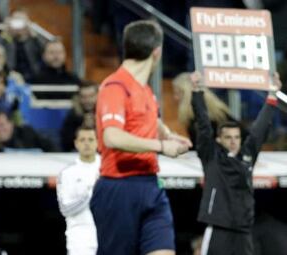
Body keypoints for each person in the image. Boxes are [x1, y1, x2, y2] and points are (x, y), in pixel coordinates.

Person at [91, 20, 191, 255]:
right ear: (157, 52)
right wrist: (161, 146)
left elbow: (146, 119)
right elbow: (112, 137)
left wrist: (168, 134)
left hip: (150, 184)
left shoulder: (144, 89)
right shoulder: (115, 86)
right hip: (119, 187)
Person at [189, 72, 281, 255]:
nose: (233, 141)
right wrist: (197, 91)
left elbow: (259, 130)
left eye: (237, 137)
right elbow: (203, 124)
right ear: (219, 140)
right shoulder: (211, 156)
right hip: (218, 229)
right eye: (228, 137)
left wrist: (272, 95)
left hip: (244, 230)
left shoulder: (247, 157)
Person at [172, 72, 246, 149]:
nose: (175, 97)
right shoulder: (216, 113)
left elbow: (202, 148)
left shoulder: (199, 119)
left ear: (186, 93)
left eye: (177, 93)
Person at [57, 127, 100, 255]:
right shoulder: (67, 174)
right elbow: (65, 209)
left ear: (98, 142)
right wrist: (92, 193)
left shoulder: (109, 170)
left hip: (110, 233)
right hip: (80, 238)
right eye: (82, 140)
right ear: (76, 143)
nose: (87, 143)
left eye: (91, 139)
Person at [60, 83, 98, 151]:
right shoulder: (72, 116)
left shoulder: (105, 114)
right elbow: (65, 144)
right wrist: (83, 127)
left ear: (98, 95)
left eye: (91, 96)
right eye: (84, 97)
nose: (88, 100)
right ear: (79, 98)